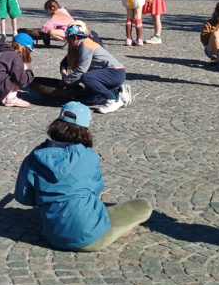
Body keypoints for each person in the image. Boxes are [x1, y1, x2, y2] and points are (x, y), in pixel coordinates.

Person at [14, 101, 153, 252]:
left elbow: (24, 197)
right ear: (85, 130)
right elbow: (95, 189)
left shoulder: (35, 156)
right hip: (89, 237)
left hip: (51, 235)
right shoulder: (89, 156)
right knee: (143, 206)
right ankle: (113, 231)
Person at [61, 24, 131, 114]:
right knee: (85, 100)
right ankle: (117, 92)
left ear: (75, 37)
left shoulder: (86, 46)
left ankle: (113, 99)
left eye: (69, 41)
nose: (68, 43)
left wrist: (66, 81)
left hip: (115, 73)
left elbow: (81, 71)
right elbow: (66, 64)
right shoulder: (82, 45)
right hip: (110, 74)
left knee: (87, 77)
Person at [0, 32, 35, 107]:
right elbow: (21, 81)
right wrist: (29, 72)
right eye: (29, 51)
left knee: (11, 71)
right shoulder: (15, 57)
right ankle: (10, 98)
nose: (29, 53)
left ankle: (4, 97)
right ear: (22, 48)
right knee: (18, 73)